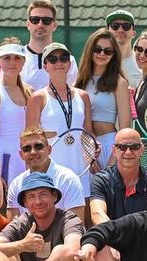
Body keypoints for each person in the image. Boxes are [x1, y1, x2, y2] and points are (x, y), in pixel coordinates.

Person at [0, 173, 84, 261]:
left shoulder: (68, 220)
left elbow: (71, 251)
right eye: (31, 196)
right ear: (25, 202)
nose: (38, 202)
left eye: (43, 194)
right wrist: (21, 245)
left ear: (54, 196)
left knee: (60, 252)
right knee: (6, 255)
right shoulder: (22, 222)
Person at [28, 44, 98, 194]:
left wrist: (93, 148)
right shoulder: (38, 97)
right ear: (45, 66)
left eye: (63, 58)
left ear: (69, 63)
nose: (59, 62)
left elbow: (88, 133)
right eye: (53, 59)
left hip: (80, 165)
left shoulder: (83, 96)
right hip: (51, 165)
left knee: (83, 206)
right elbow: (29, 139)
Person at [76, 28, 131, 170]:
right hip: (82, 149)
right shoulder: (79, 82)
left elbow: (125, 127)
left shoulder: (119, 83)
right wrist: (87, 154)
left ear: (114, 55)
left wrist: (112, 161)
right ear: (90, 50)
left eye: (108, 51)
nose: (102, 54)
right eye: (97, 49)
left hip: (109, 147)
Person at [5, 127, 86, 219]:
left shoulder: (69, 180)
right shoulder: (15, 185)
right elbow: (13, 224)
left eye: (38, 146)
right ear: (21, 155)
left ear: (49, 149)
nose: (33, 152)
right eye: (27, 149)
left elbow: (76, 223)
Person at [0, 39, 32, 186]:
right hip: (4, 159)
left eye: (17, 58)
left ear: (24, 62)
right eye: (7, 58)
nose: (12, 62)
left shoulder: (30, 91)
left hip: (28, 158)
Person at [22, 0, 77, 89]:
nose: (40, 24)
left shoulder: (67, 60)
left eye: (46, 20)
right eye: (35, 20)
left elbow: (72, 93)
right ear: (28, 24)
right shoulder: (16, 59)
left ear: (54, 25)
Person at [106, 9, 142, 85]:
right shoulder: (100, 61)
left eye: (126, 26)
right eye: (115, 26)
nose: (120, 30)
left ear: (133, 33)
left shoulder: (143, 62)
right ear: (107, 32)